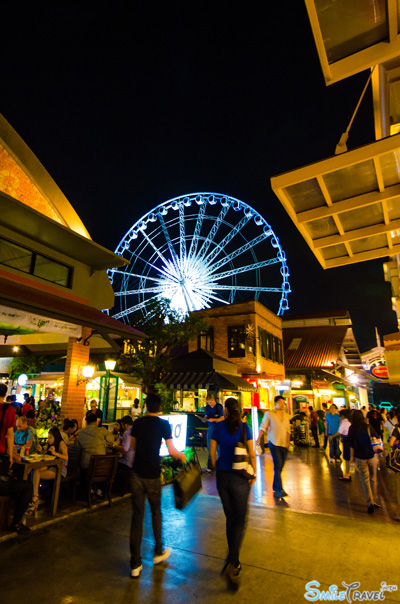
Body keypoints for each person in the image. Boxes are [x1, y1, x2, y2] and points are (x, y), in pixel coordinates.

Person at [129, 393, 186, 578]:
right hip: (153, 473)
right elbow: (170, 450)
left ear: (146, 406)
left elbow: (133, 447)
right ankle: (158, 552)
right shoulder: (163, 424)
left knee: (137, 517)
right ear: (159, 407)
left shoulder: (137, 423)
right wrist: (181, 456)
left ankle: (135, 565)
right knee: (156, 513)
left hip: (137, 473)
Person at [210, 397, 256, 589]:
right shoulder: (245, 428)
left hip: (223, 477)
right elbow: (252, 453)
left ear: (225, 411)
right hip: (240, 478)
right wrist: (254, 474)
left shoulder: (217, 428)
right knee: (240, 521)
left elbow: (212, 453)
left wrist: (217, 468)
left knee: (231, 519)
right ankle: (233, 562)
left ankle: (233, 561)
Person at [0, 383, 33, 534]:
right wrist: (11, 455)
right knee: (26, 486)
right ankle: (15, 523)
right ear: (5, 394)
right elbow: (10, 434)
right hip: (1, 458)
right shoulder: (8, 410)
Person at [27, 427, 68, 516]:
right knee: (35, 470)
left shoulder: (61, 443)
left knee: (35, 473)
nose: (48, 440)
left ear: (55, 437)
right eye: (48, 437)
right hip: (51, 466)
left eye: (50, 438)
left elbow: (66, 457)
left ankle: (35, 498)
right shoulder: (51, 444)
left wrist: (55, 453)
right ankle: (34, 496)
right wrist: (41, 451)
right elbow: (47, 456)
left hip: (60, 469)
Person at [256, 395, 290, 498]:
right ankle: (280, 489)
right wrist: (258, 439)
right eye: (280, 402)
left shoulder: (286, 415)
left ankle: (275, 486)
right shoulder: (269, 414)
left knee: (280, 466)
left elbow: (288, 430)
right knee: (278, 464)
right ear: (275, 403)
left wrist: (288, 442)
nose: (282, 404)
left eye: (283, 402)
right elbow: (263, 427)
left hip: (284, 443)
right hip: (273, 442)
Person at [348, 409, 381, 514]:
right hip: (371, 455)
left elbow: (351, 444)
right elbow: (376, 436)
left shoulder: (352, 428)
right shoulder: (368, 426)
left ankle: (370, 502)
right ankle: (374, 500)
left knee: (365, 479)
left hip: (360, 457)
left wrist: (352, 457)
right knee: (373, 479)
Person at [202, 391, 224, 472]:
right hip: (210, 428)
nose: (209, 404)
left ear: (213, 399)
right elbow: (206, 415)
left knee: (218, 447)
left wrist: (214, 419)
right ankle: (210, 466)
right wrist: (205, 419)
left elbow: (222, 418)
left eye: (210, 402)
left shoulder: (219, 407)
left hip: (218, 428)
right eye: (208, 402)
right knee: (209, 447)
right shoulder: (207, 407)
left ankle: (221, 465)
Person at [113, 415, 134, 490]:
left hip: (127, 462)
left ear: (125, 424)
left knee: (114, 464)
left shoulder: (127, 432)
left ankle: (115, 486)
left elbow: (125, 449)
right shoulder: (135, 430)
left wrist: (115, 447)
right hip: (134, 461)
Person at [338, 409, 351, 481]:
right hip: (348, 440)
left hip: (346, 440)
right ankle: (347, 473)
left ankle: (347, 475)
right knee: (347, 458)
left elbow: (339, 432)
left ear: (342, 416)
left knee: (346, 458)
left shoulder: (344, 423)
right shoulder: (349, 422)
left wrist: (332, 436)